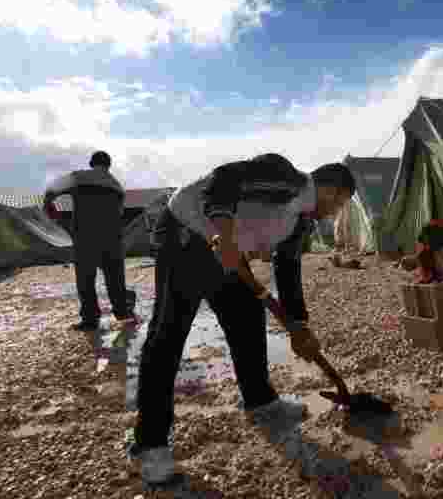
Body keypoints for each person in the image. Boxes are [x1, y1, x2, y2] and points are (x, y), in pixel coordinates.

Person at [130, 153, 355, 486]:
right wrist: (223, 232)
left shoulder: (301, 221)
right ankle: (150, 445)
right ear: (331, 189)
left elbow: (287, 269)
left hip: (228, 253)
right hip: (186, 233)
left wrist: (298, 324)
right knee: (167, 335)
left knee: (248, 319)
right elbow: (224, 180)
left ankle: (261, 401)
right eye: (339, 203)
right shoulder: (286, 176)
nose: (336, 211)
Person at [44, 151, 138, 331]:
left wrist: (53, 212)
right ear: (108, 165)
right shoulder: (117, 186)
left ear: (91, 163)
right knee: (115, 280)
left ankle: (90, 319)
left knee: (86, 281)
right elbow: (119, 214)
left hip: (85, 239)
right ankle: (122, 313)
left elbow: (51, 191)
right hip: (112, 240)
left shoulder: (79, 177)